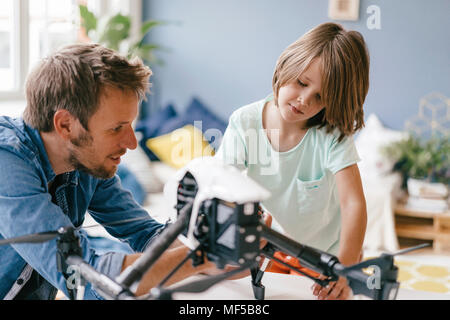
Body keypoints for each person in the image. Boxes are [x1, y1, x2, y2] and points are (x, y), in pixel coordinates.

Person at [0, 43, 218, 300]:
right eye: (116, 128)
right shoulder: (7, 162)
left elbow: (146, 234)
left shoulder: (83, 163)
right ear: (66, 125)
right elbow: (87, 280)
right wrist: (201, 258)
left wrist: (227, 246)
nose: (131, 143)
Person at [215, 22, 369, 300]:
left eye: (320, 97)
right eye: (302, 83)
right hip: (268, 245)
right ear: (287, 65)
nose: (304, 100)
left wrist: (345, 268)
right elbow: (222, 185)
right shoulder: (245, 121)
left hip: (326, 255)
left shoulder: (331, 136)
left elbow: (353, 203)